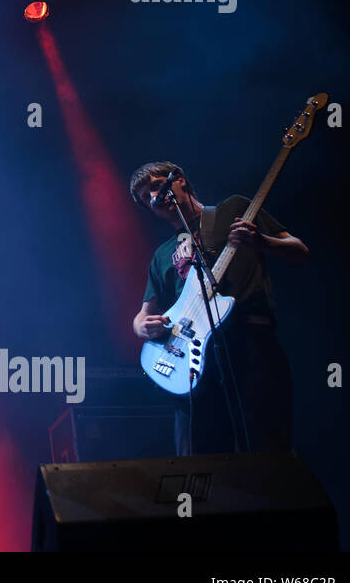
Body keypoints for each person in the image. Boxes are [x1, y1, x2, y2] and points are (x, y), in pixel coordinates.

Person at [129, 162, 307, 456]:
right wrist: (142, 327)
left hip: (249, 343)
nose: (154, 196)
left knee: (265, 448)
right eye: (145, 197)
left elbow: (300, 250)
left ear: (181, 181)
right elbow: (143, 314)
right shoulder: (161, 255)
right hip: (192, 358)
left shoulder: (232, 210)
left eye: (157, 185)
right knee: (199, 458)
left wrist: (262, 241)